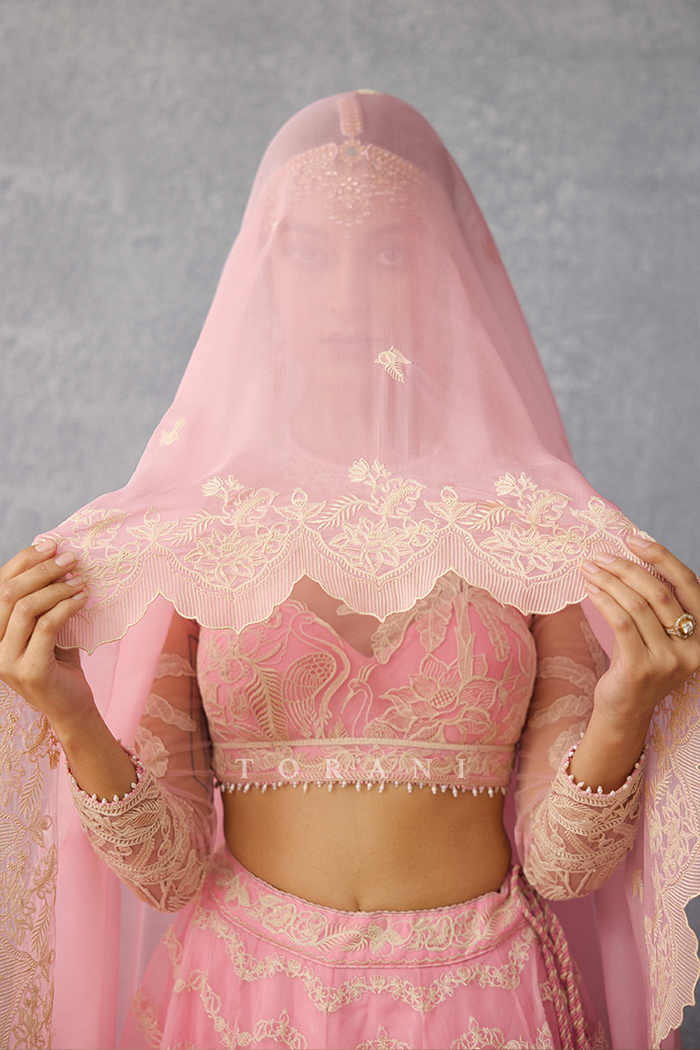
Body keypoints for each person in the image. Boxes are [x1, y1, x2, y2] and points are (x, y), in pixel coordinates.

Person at [1, 89, 699, 1050]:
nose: (345, 292)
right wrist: (73, 714)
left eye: (387, 252)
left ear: (438, 275)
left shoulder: (528, 526)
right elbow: (168, 871)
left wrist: (624, 709)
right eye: (309, 250)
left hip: (481, 1005)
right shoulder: (201, 527)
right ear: (265, 272)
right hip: (240, 1003)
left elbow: (562, 867)